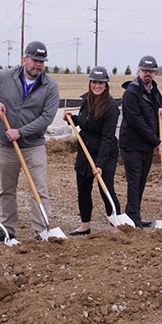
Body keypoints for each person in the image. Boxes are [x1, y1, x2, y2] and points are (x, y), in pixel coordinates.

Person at [0, 41, 60, 242]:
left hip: (33, 145)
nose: (38, 65)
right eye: (35, 60)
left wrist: (21, 132)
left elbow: (46, 118)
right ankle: (8, 229)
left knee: (39, 189)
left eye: (42, 61)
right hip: (6, 145)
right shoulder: (6, 76)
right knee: (7, 188)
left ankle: (42, 230)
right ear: (24, 59)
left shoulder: (50, 86)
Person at [64, 66, 121, 235]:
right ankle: (85, 224)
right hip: (85, 149)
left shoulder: (111, 108)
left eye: (100, 83)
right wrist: (71, 119)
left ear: (106, 85)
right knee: (83, 189)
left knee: (106, 188)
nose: (97, 86)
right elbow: (84, 122)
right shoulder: (87, 101)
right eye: (94, 82)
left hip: (105, 152)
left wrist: (100, 164)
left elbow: (107, 138)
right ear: (90, 83)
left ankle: (117, 224)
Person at [119, 55, 162, 228]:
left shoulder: (153, 89)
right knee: (134, 181)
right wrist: (156, 141)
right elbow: (136, 121)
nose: (148, 74)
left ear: (154, 73)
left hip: (146, 144)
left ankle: (133, 213)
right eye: (145, 71)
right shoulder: (131, 92)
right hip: (132, 144)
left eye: (151, 71)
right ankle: (132, 218)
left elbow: (159, 101)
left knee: (141, 181)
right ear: (138, 71)